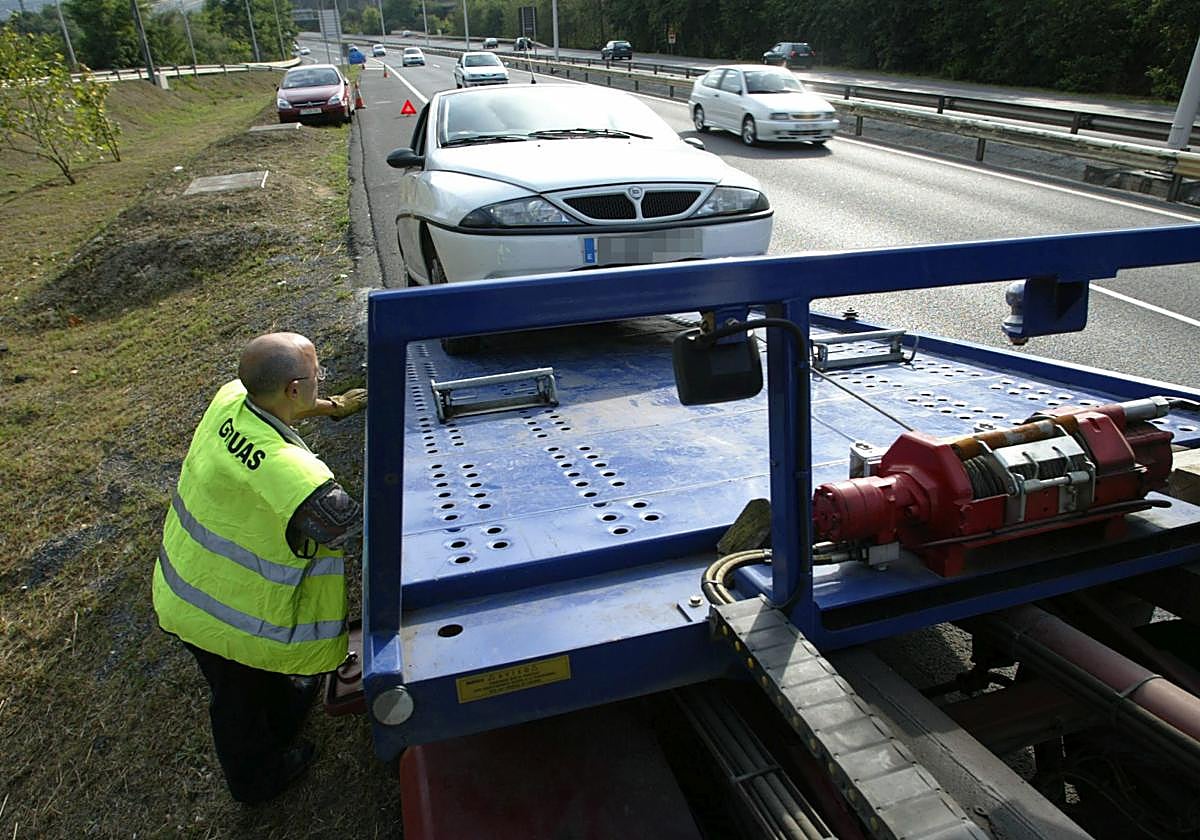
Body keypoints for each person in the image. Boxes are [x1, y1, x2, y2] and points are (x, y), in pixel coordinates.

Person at [152, 332, 368, 804]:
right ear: (294, 387)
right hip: (215, 612)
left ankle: (287, 707)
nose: (322, 380)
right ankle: (256, 781)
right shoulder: (296, 479)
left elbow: (277, 404)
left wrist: (331, 406)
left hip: (187, 575)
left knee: (258, 683)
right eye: (317, 377)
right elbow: (349, 525)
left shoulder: (231, 398)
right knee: (237, 700)